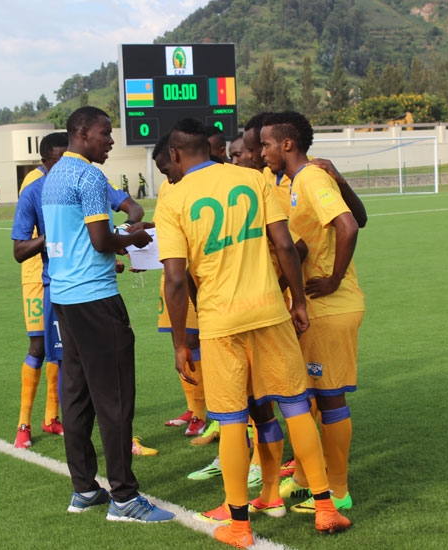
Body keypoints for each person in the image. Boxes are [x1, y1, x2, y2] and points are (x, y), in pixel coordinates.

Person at [156, 118, 351, 546]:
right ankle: (325, 507)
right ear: (209, 147)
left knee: (230, 421)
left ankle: (240, 526)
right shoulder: (252, 179)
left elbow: (174, 277)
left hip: (219, 323)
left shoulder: (172, 197)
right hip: (269, 313)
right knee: (297, 406)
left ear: (174, 154)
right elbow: (284, 244)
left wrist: (177, 343)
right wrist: (298, 301)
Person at [42, 106, 173, 522]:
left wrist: (125, 236)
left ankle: (84, 489)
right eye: (105, 133)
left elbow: (81, 237)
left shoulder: (53, 175)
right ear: (83, 132)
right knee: (114, 398)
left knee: (77, 396)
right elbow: (100, 240)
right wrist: (135, 237)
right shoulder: (88, 175)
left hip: (64, 296)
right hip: (95, 299)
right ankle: (123, 498)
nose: (111, 141)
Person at [260, 111, 365, 514]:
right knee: (311, 394)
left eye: (267, 143)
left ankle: (337, 490)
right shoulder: (292, 183)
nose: (263, 151)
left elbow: (349, 226)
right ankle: (308, 478)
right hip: (315, 305)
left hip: (330, 305)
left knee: (329, 395)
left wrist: (335, 278)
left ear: (287, 144)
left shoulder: (310, 178)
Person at [11, 133, 69, 449]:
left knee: (59, 350)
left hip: (65, 274)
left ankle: (52, 418)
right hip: (37, 275)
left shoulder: (71, 177)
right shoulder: (33, 185)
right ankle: (24, 424)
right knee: (39, 346)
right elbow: (28, 238)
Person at [150, 134, 206, 439]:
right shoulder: (168, 187)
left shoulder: (201, 186)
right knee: (183, 338)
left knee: (195, 343)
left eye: (166, 168)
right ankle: (194, 407)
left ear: (177, 155)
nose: (166, 175)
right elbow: (164, 227)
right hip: (175, 273)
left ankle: (204, 413)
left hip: (199, 279)